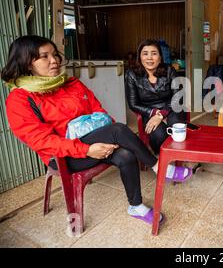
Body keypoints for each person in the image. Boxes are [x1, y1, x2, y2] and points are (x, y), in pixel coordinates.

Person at [1, 35, 189, 226]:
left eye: (55, 54)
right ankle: (159, 167)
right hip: (64, 157)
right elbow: (42, 141)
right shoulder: (20, 99)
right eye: (44, 57)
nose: (54, 61)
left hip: (94, 140)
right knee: (118, 130)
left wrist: (108, 137)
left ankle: (136, 206)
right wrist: (87, 150)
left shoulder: (72, 83)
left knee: (125, 154)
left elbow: (98, 111)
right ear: (26, 63)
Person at [125, 39, 192, 180]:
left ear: (160, 57)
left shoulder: (169, 70)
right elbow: (133, 103)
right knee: (159, 133)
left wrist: (162, 114)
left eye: (154, 53)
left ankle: (179, 157)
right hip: (148, 111)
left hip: (172, 108)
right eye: (145, 54)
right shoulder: (132, 74)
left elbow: (177, 97)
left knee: (176, 128)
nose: (149, 57)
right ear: (140, 57)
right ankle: (165, 162)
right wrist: (154, 113)